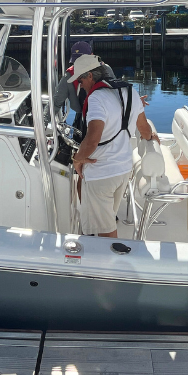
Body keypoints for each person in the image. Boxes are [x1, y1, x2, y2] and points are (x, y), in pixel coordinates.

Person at [70, 54, 158, 238]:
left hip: (101, 174)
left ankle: (109, 263)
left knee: (106, 234)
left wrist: (76, 159)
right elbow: (144, 129)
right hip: (123, 171)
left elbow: (93, 139)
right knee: (106, 220)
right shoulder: (131, 92)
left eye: (80, 80)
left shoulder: (96, 98)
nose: (80, 85)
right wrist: (152, 137)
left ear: (90, 77)